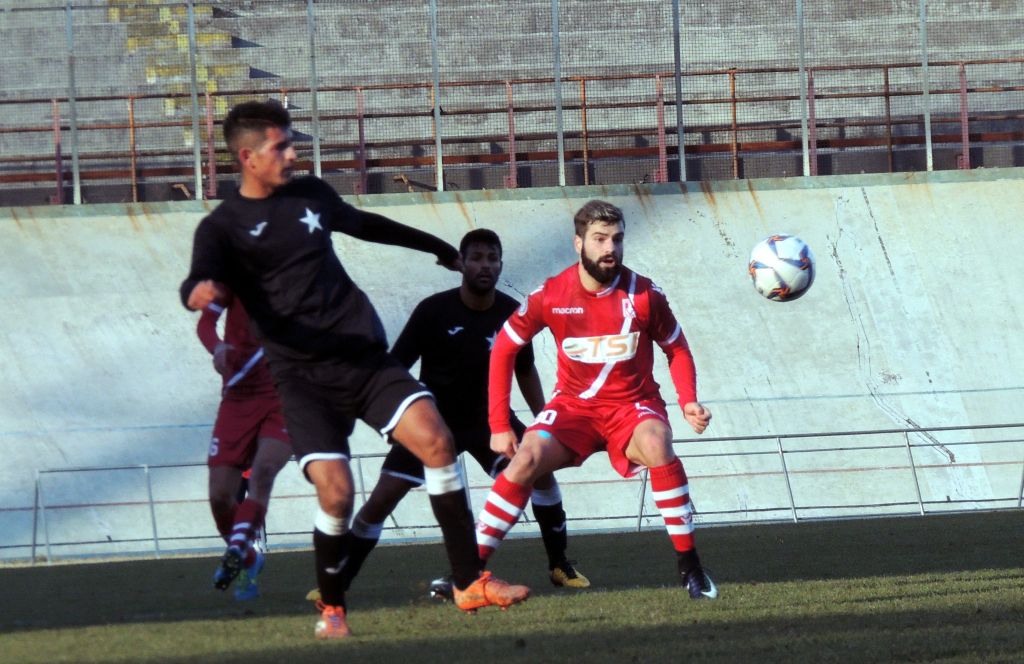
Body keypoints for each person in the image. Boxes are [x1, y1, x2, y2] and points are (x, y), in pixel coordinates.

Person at [180, 99, 529, 640]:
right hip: (302, 381)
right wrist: (196, 291)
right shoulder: (222, 228)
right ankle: (334, 608)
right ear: (247, 157)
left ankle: (468, 582)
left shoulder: (312, 195)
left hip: (365, 361)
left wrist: (438, 248)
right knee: (337, 494)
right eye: (282, 146)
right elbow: (198, 280)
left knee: (436, 441)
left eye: (293, 141)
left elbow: (365, 224)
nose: (294, 153)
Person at [317, 228, 589, 604]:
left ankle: (559, 564)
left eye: (492, 258)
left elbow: (525, 369)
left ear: (500, 265)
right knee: (382, 498)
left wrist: (544, 418)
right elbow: (397, 365)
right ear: (461, 263)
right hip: (433, 422)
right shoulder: (433, 310)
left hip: (490, 418)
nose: (485, 265)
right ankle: (340, 580)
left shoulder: (511, 312)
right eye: (477, 257)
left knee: (541, 474)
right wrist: (396, 417)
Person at [476, 199, 719, 599]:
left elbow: (677, 349)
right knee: (526, 459)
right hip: (574, 407)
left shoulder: (644, 295)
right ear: (578, 243)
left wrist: (688, 400)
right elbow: (503, 347)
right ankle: (469, 572)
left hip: (633, 406)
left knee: (658, 444)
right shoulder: (551, 294)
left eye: (617, 239)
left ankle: (691, 569)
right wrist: (500, 425)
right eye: (600, 239)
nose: (610, 249)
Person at [197, 295, 291, 601]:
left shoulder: (301, 273)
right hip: (238, 398)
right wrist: (217, 346)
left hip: (285, 393)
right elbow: (206, 322)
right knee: (220, 496)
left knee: (262, 472)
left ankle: (238, 549)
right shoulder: (232, 273)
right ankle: (248, 557)